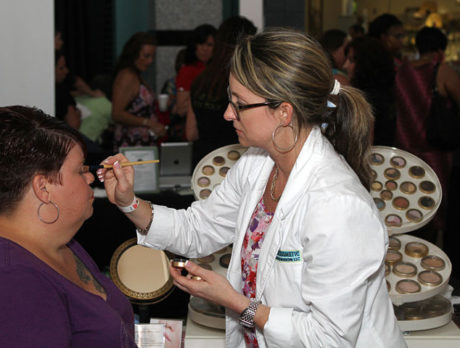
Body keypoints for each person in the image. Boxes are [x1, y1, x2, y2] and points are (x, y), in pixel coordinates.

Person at [98, 29, 406, 347]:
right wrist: (129, 203)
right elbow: (198, 228)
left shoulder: (338, 204)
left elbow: (329, 338)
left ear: (284, 112)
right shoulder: (258, 164)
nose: (228, 113)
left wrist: (237, 304)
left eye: (239, 104)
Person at [0, 106, 137, 347]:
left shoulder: (62, 243)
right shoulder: (15, 279)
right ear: (43, 188)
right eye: (81, 170)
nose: (91, 177)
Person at [394, 27, 460, 241]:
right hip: (435, 154)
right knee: (433, 209)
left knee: (408, 209)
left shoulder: (401, 70)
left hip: (405, 151)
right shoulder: (441, 70)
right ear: (440, 49)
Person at [186, 16, 257, 165]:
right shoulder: (241, 84)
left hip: (204, 165)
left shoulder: (200, 81)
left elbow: (191, 133)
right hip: (234, 162)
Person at [112, 31, 167, 152]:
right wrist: (149, 123)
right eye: (146, 56)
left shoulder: (136, 75)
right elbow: (117, 113)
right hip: (132, 145)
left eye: (152, 56)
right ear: (134, 54)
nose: (150, 61)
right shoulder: (127, 76)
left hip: (142, 145)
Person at [343, 36, 396, 146]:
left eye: (351, 60)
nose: (345, 65)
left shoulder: (366, 100)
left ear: (366, 64)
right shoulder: (386, 94)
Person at [175, 24, 217, 117]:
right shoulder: (187, 71)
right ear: (195, 46)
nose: (204, 49)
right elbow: (181, 109)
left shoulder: (220, 70)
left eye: (209, 45)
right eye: (201, 44)